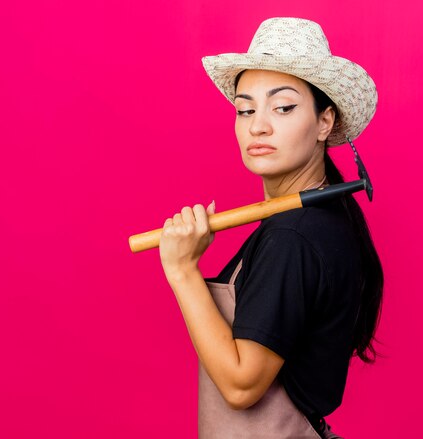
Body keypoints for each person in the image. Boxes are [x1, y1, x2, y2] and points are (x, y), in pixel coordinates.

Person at [158, 17, 384, 438]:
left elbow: (241, 384)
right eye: (245, 109)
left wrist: (182, 270)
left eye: (283, 107)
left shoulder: (293, 236)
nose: (257, 125)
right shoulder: (316, 220)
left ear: (324, 122)